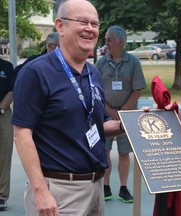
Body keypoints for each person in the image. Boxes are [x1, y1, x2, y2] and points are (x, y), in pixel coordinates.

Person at [12, 0, 125, 215]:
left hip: (95, 187)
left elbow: (98, 125)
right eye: (82, 21)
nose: (90, 29)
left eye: (95, 24)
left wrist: (131, 125)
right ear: (60, 26)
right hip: (58, 192)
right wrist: (41, 191)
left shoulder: (93, 74)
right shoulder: (36, 72)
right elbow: (22, 135)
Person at [95, 25, 146, 203]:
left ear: (121, 41)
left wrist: (123, 111)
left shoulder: (133, 62)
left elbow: (138, 90)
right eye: (106, 39)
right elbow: (95, 89)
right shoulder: (101, 62)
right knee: (105, 150)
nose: (106, 43)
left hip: (127, 116)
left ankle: (124, 189)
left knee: (124, 153)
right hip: (105, 115)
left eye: (109, 39)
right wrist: (110, 111)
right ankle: (106, 187)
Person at [0, 58, 15, 211]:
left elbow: (12, 91)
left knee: (4, 155)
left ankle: (2, 196)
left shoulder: (7, 67)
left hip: (3, 113)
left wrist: (1, 108)